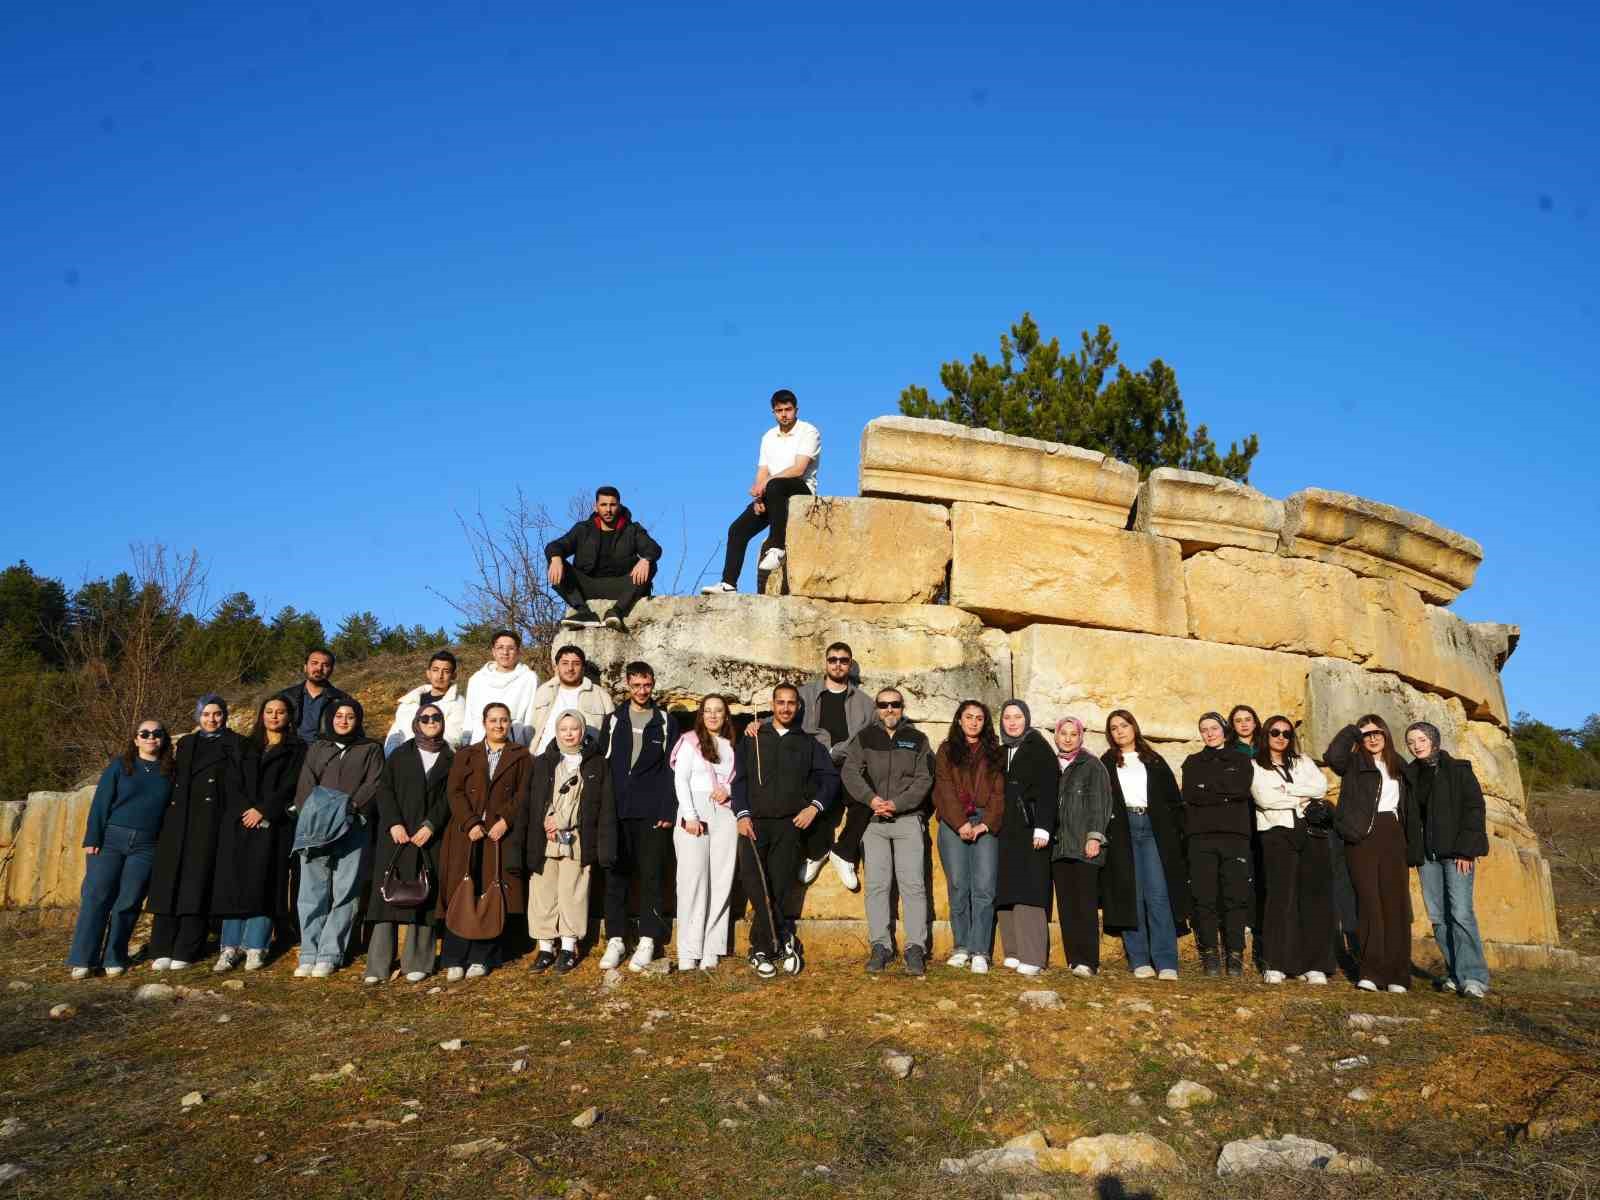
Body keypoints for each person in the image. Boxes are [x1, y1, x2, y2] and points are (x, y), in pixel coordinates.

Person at [731, 684, 839, 978]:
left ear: (798, 707)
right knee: (754, 882)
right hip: (753, 823)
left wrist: (814, 807)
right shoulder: (753, 738)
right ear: (772, 705)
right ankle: (785, 937)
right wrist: (741, 814)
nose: (786, 708)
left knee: (777, 887)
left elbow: (830, 780)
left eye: (791, 703)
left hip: (790, 826)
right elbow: (738, 780)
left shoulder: (809, 744)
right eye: (781, 702)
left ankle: (761, 950)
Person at [145, 695, 257, 970]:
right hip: (178, 819)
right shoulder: (185, 743)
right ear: (198, 716)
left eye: (217, 714)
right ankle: (161, 946)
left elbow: (241, 785)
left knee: (197, 882)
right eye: (206, 714)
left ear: (225, 716)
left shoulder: (237, 744)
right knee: (169, 880)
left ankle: (186, 947)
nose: (212, 719)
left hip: (211, 821)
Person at [67, 720, 174, 978]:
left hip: (147, 846)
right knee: (96, 897)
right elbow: (101, 802)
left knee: (128, 901)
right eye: (144, 734)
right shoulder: (120, 766)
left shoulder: (170, 771)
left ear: (163, 740)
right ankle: (83, 959)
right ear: (136, 739)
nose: (151, 737)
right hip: (111, 840)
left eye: (156, 734)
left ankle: (114, 956)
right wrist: (93, 838)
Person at [841, 686, 934, 976]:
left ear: (902, 707)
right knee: (877, 886)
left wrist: (897, 803)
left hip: (907, 819)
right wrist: (871, 799)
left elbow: (924, 779)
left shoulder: (918, 740)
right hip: (874, 821)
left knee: (913, 885)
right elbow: (850, 771)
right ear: (877, 709)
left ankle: (915, 947)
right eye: (883, 705)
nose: (889, 710)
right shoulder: (865, 738)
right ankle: (881, 946)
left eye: (895, 704)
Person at [1325, 715, 1422, 993]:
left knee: (1396, 904)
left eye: (1378, 732)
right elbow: (1333, 755)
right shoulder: (1354, 763)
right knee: (1368, 903)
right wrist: (1354, 731)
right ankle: (1371, 972)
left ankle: (1398, 975)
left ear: (1386, 734)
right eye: (1367, 734)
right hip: (1361, 836)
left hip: (1393, 833)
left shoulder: (1399, 765)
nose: (1373, 737)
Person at [291, 698, 384, 978]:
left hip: (352, 827)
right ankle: (309, 952)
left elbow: (375, 782)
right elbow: (306, 784)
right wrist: (315, 814)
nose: (344, 721)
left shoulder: (370, 748)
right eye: (339, 716)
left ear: (358, 720)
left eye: (350, 716)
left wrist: (350, 809)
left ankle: (330, 953)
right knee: (311, 893)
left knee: (345, 892)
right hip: (316, 828)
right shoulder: (318, 748)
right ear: (330, 718)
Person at [438, 702, 530, 980]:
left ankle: (483, 956)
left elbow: (524, 794)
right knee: (461, 890)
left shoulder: (522, 756)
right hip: (467, 834)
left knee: (492, 891)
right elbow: (454, 792)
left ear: (510, 723)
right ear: (484, 722)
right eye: (493, 720)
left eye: (504, 720)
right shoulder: (466, 754)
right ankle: (455, 956)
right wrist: (470, 822)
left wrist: (506, 820)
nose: (499, 725)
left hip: (499, 835)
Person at [212, 697, 304, 972]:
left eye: (281, 712)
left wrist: (264, 810)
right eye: (269, 711)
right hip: (240, 823)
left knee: (265, 884)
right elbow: (232, 781)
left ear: (289, 717)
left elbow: (292, 785)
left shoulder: (298, 749)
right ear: (261, 715)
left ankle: (256, 946)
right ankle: (229, 948)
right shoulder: (245, 745)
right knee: (234, 885)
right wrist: (246, 809)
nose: (275, 716)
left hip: (273, 826)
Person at [598, 662, 679, 972]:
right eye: (636, 686)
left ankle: (648, 939)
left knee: (652, 876)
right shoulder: (614, 720)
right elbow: (602, 764)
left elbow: (672, 770)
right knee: (615, 876)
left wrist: (667, 809)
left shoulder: (666, 721)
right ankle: (616, 938)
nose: (642, 691)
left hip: (652, 813)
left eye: (647, 685)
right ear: (627, 686)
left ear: (653, 684)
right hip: (617, 811)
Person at [365, 703, 453, 984]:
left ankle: (418, 961)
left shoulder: (452, 758)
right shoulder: (400, 754)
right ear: (416, 723)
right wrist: (394, 823)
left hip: (429, 838)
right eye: (425, 718)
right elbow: (384, 790)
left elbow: (450, 797)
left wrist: (431, 824)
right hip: (397, 836)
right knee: (387, 895)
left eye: (436, 718)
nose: (431, 721)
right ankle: (377, 965)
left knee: (424, 893)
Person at [701, 389, 821, 594]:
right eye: (779, 410)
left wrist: (765, 485)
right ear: (773, 412)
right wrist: (759, 495)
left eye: (788, 409)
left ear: (796, 409)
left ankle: (777, 547)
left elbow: (799, 469)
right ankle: (728, 583)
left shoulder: (809, 431)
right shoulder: (768, 437)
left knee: (775, 485)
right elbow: (762, 471)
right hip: (772, 491)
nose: (784, 414)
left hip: (800, 489)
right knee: (737, 529)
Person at [1099, 709, 1189, 981]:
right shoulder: (1106, 762)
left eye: (1124, 725)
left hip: (1152, 828)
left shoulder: (1153, 760)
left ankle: (1166, 961)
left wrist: (1175, 832)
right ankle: (1139, 959)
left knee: (1158, 894)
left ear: (1134, 727)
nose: (1120, 731)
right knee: (1131, 894)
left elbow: (1173, 801)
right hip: (1123, 829)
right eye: (1114, 728)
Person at [524, 710, 616, 974]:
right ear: (556, 731)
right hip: (546, 836)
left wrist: (565, 819)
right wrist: (548, 818)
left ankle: (567, 946)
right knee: (543, 891)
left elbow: (600, 804)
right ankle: (544, 947)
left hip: (576, 837)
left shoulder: (597, 764)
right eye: (563, 728)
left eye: (574, 728)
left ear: (583, 731)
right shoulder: (542, 762)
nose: (568, 733)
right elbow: (534, 798)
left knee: (572, 891)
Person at [1403, 721, 1490, 998]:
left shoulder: (1459, 770)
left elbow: (1474, 809)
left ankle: (1474, 977)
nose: (1416, 745)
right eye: (1411, 742)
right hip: (1427, 857)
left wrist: (1467, 850)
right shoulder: (1410, 775)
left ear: (1434, 740)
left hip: (1456, 854)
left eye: (1420, 740)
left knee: (1461, 913)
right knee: (1439, 918)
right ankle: (1455, 973)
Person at [1249, 716, 1334, 985]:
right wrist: (1302, 796)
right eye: (1275, 732)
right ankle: (1276, 962)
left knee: (1313, 897)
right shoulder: (1255, 765)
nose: (1281, 737)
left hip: (1311, 832)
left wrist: (1288, 789)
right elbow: (1264, 798)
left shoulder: (1303, 761)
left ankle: (1314, 964)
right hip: (1278, 833)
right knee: (1280, 897)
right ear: (1266, 735)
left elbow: (1321, 787)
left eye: (1286, 733)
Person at [793, 642, 876, 891]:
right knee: (810, 799)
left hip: (850, 763)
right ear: (825, 662)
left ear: (849, 665)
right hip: (815, 763)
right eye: (833, 659)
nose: (838, 664)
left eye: (843, 660)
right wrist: (758, 725)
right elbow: (782, 713)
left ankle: (843, 852)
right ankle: (817, 852)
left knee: (866, 797)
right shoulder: (805, 694)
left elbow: (877, 729)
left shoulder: (864, 702)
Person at [932, 701, 1005, 973]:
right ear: (959, 720)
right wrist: (960, 823)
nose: (974, 722)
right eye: (969, 717)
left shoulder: (995, 753)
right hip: (954, 823)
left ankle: (980, 951)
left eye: (979, 718)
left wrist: (985, 825)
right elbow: (944, 788)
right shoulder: (947, 750)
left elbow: (999, 793)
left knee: (984, 888)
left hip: (985, 821)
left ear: (985, 723)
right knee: (959, 886)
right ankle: (961, 946)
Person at [1181, 713, 1256, 978]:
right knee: (1204, 896)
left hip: (1234, 835)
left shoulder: (1241, 759)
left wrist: (1208, 790)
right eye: (1204, 730)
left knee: (1235, 895)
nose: (1210, 733)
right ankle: (1210, 953)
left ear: (1224, 730)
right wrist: (1222, 793)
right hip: (1201, 836)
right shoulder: (1192, 762)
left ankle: (1235, 954)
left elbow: (1240, 789)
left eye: (1214, 728)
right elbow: (1190, 793)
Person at [671, 695, 739, 972]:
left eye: (718, 711)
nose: (712, 716)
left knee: (721, 880)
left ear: (725, 716)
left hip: (724, 812)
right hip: (694, 811)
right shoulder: (689, 741)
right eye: (707, 711)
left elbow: (739, 779)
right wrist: (689, 815)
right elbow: (681, 779)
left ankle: (713, 947)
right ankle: (688, 950)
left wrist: (730, 791)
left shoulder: (732, 746)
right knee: (692, 881)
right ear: (701, 714)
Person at [994, 700, 1058, 977]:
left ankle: (1032, 955)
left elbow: (1048, 788)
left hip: (1031, 828)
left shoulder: (1039, 747)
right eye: (1007, 717)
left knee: (1030, 888)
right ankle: (1013, 951)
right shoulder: (1001, 750)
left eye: (1017, 716)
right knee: (1006, 889)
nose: (1012, 722)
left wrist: (1043, 826)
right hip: (1005, 829)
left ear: (1026, 719)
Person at [547, 486, 663, 632]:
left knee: (651, 564)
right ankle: (584, 612)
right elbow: (557, 545)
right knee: (554, 561)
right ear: (596, 507)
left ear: (619, 506)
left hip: (621, 587)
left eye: (612, 505)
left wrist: (646, 559)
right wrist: (556, 558)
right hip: (588, 586)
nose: (608, 510)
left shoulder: (632, 530)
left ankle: (616, 612)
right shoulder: (583, 529)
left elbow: (653, 548)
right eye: (603, 505)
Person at [1051, 717, 1113, 978]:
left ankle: (1089, 960)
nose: (1067, 738)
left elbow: (1100, 803)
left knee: (1085, 904)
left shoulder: (1092, 766)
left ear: (1080, 737)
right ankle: (1074, 959)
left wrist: (1094, 837)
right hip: (1060, 847)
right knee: (1066, 906)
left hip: (1084, 844)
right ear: (1056, 736)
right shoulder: (1051, 765)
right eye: (1063, 733)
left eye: (1073, 734)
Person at [530, 644, 613, 754]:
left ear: (583, 668)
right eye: (565, 663)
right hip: (543, 762)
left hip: (585, 763)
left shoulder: (601, 695)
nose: (570, 668)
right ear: (556, 667)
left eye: (576, 664)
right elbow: (531, 729)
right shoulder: (543, 691)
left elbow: (612, 734)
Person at [384, 650, 469, 755]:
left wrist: (420, 757)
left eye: (446, 671)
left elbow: (453, 737)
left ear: (453, 675)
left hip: (435, 762)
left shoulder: (458, 703)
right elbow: (395, 733)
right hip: (400, 760)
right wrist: (391, 757)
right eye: (435, 670)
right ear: (428, 673)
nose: (440, 676)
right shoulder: (410, 701)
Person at [462, 630, 539, 746]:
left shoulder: (529, 678)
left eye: (511, 648)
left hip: (514, 746)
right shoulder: (477, 679)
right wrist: (465, 743)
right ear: (493, 651)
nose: (505, 652)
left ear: (518, 652)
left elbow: (530, 718)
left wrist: (529, 748)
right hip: (478, 746)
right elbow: (469, 717)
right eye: (500, 647)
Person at [277, 648, 351, 747]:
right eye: (314, 663)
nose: (319, 668)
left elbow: (353, 734)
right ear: (305, 667)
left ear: (331, 670)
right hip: (290, 754)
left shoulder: (342, 699)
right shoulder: (285, 696)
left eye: (325, 665)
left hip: (325, 755)